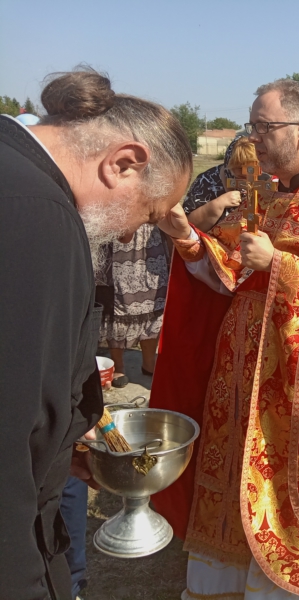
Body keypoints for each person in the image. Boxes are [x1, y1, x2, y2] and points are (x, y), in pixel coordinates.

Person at [150, 79, 299, 599]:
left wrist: (279, 265)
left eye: (264, 126)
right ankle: (224, 578)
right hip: (240, 369)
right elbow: (231, 266)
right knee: (232, 472)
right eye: (251, 124)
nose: (252, 137)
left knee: (280, 480)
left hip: (295, 382)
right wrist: (187, 235)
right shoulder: (270, 195)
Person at [0, 67, 191, 599]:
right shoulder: (38, 218)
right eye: (150, 214)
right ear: (123, 164)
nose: (134, 232)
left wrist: (65, 439)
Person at [95, 222, 170, 387]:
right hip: (116, 234)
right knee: (115, 305)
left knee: (152, 300)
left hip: (149, 236)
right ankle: (118, 365)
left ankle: (149, 363)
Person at [183, 137, 257, 232]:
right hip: (213, 244)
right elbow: (188, 226)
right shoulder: (206, 181)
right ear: (229, 163)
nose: (246, 173)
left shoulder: (265, 181)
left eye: (251, 168)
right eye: (239, 167)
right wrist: (218, 204)